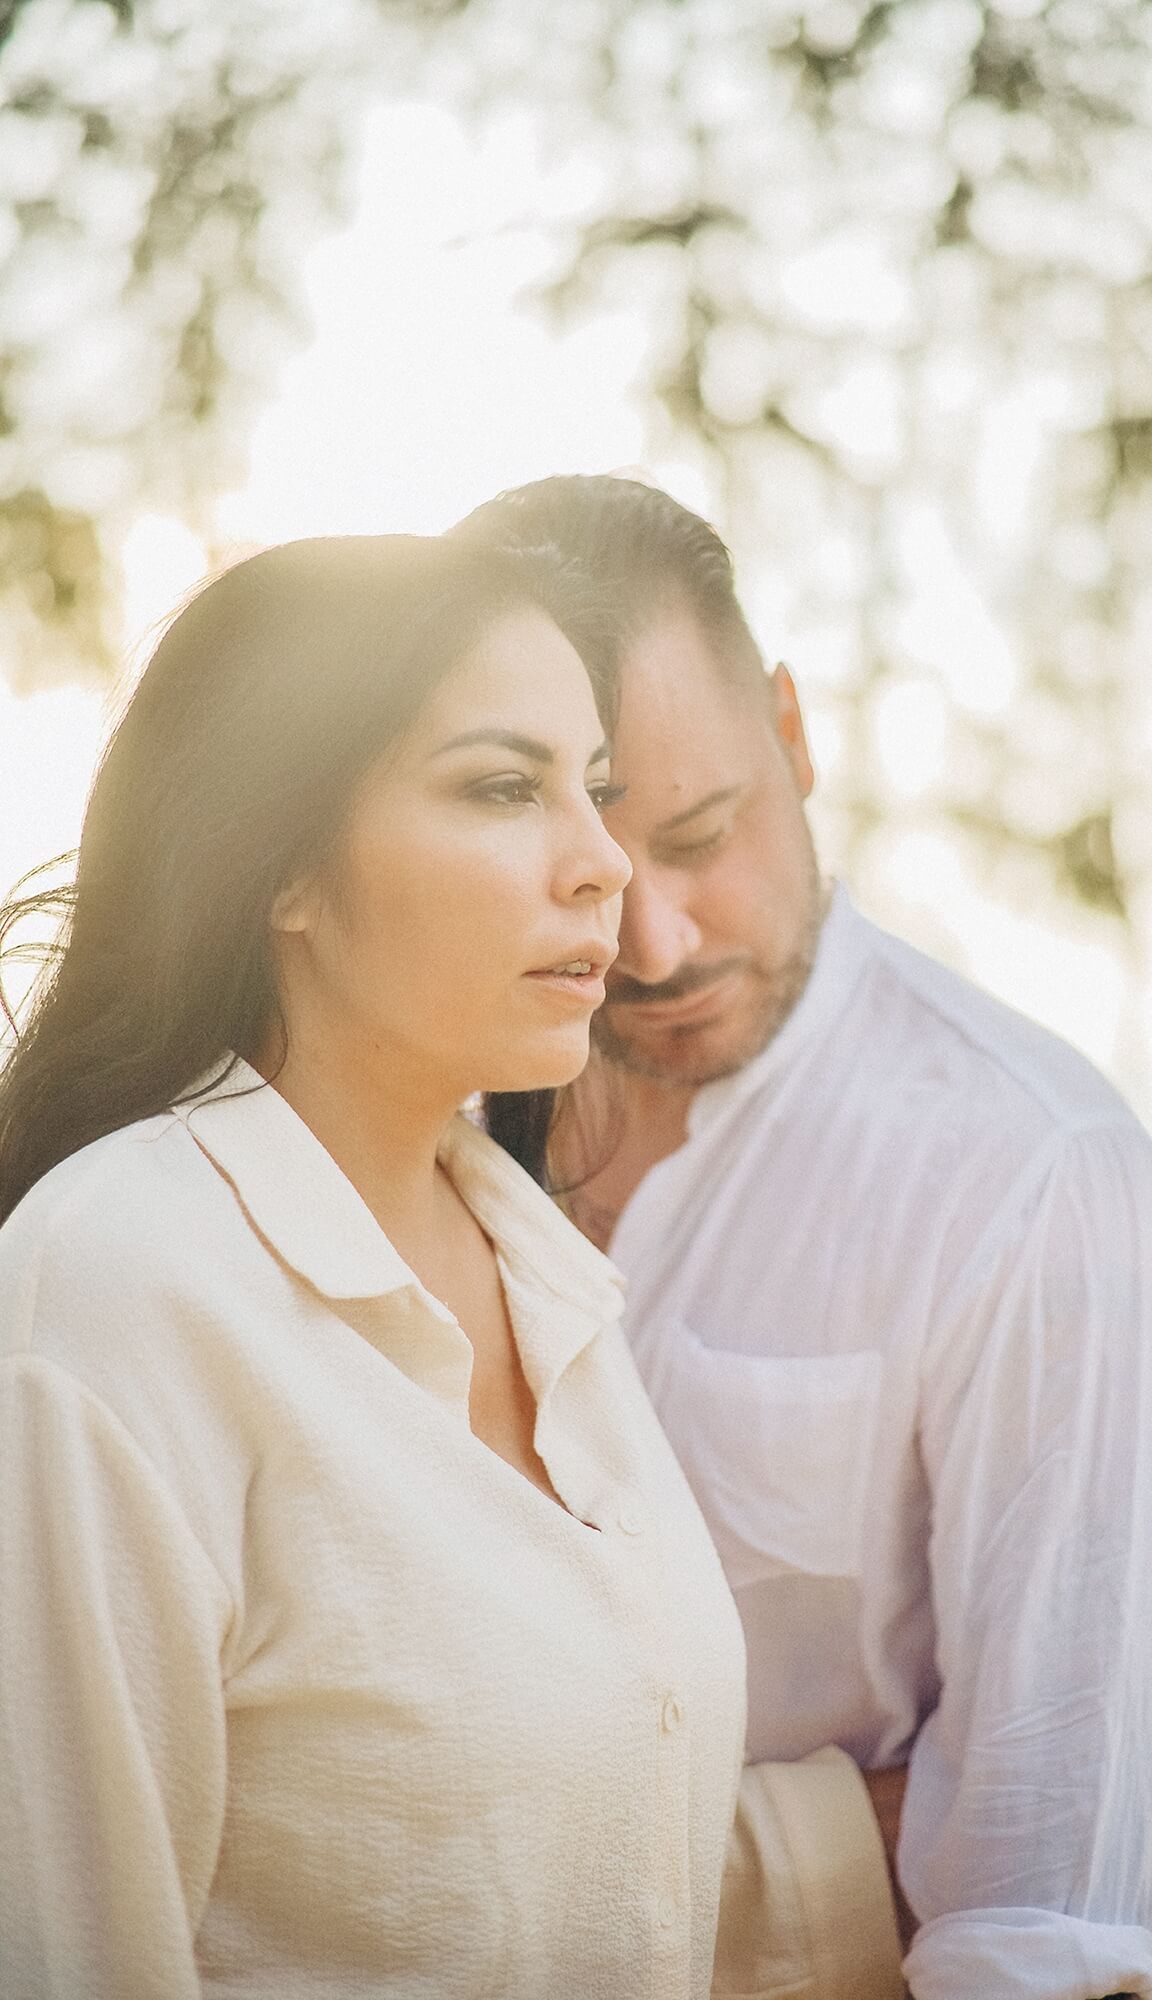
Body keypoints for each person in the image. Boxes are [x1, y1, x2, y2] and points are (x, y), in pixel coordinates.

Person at [461, 474, 1152, 2000]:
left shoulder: (1041, 1182)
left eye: (703, 831)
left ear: (794, 739)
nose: (654, 944)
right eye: (594, 865)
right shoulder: (426, 1111)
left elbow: (1032, 1920)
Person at [0, 531, 751, 1997]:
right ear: (277, 859)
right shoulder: (108, 1295)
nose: (602, 862)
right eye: (500, 786)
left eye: (589, 788)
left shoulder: (550, 1275)